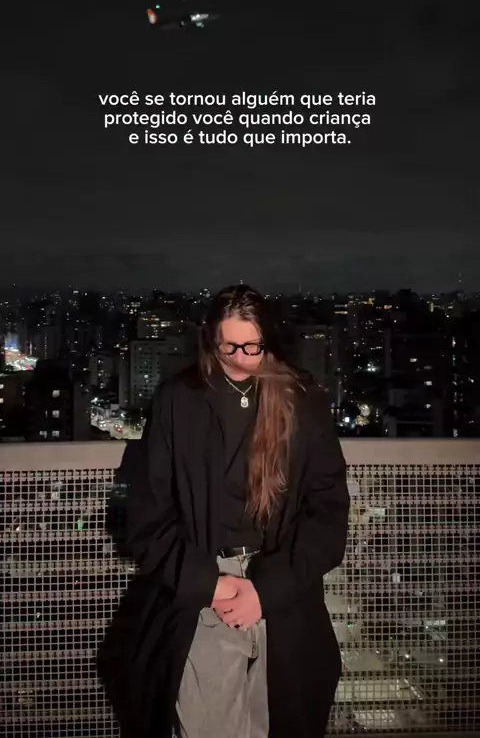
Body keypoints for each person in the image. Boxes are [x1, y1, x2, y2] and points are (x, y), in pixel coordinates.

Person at [123, 284, 350, 738]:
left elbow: (328, 513)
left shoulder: (301, 399)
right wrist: (208, 582)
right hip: (206, 589)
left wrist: (265, 590)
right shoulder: (179, 399)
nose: (240, 358)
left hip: (282, 588)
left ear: (270, 341)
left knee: (283, 717)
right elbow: (147, 516)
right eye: (228, 346)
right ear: (211, 340)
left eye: (252, 346)